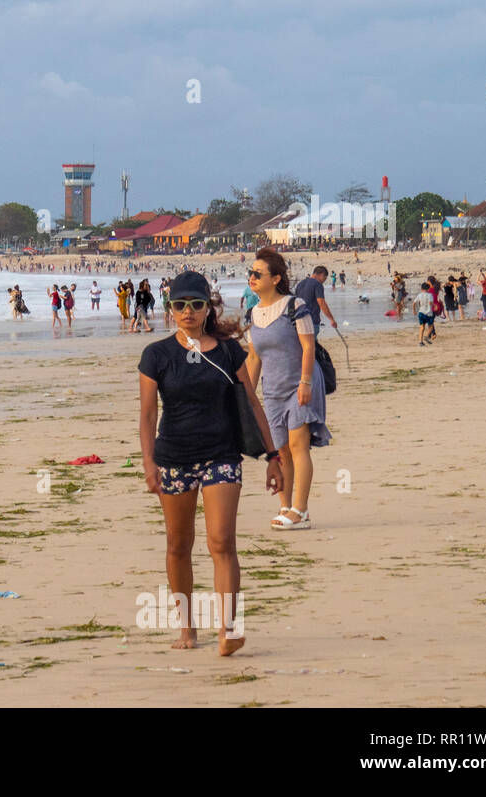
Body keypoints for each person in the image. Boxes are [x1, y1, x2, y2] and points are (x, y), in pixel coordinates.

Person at [138, 270, 283, 655]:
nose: (188, 312)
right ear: (170, 309)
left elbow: (253, 403)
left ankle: (229, 629)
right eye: (180, 305)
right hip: (173, 458)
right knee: (178, 545)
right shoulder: (156, 355)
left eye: (196, 305)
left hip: (221, 455)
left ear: (208, 308)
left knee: (221, 541)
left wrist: (274, 457)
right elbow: (148, 414)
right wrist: (149, 463)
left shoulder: (229, 351)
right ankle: (187, 629)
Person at [244, 248, 330, 531]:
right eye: (250, 273)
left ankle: (301, 510)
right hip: (273, 390)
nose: (252, 277)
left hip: (301, 384)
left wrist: (305, 382)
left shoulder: (295, 305)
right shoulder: (252, 313)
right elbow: (254, 358)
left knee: (297, 445)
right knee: (280, 450)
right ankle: (284, 506)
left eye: (258, 273)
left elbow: (308, 347)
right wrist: (246, 396)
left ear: (276, 278)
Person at [293, 265, 338, 336]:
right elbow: (321, 302)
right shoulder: (317, 284)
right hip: (312, 320)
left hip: (299, 321)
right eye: (324, 278)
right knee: (312, 345)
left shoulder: (300, 284)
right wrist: (331, 319)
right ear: (321, 275)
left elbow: (295, 302)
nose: (323, 281)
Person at [413, 279, 436, 346]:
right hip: (428, 313)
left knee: (422, 327)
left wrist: (414, 310)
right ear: (428, 289)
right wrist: (435, 305)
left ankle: (420, 341)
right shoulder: (430, 295)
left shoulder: (419, 295)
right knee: (431, 326)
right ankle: (426, 336)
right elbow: (430, 303)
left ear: (421, 288)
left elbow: (414, 303)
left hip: (421, 312)